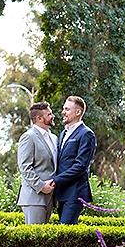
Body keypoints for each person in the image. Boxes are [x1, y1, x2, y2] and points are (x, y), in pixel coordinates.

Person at [45, 95, 96, 225]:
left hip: (74, 193)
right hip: (61, 193)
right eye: (64, 109)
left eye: (67, 109)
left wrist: (55, 180)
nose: (63, 112)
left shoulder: (86, 134)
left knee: (65, 232)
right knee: (67, 235)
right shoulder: (63, 134)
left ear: (78, 112)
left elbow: (80, 166)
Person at [16, 101, 58, 224]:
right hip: (33, 198)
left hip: (50, 198)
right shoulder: (28, 137)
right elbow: (24, 167)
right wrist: (41, 186)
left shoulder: (54, 138)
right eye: (49, 114)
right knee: (34, 240)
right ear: (39, 118)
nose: (53, 116)